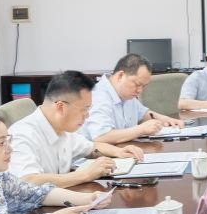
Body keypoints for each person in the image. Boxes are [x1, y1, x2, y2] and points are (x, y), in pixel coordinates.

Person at [9, 70, 144, 188]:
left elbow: (91, 148)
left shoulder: (62, 129)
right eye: (84, 109)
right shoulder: (22, 134)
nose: (87, 115)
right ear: (60, 107)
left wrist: (119, 152)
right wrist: (85, 175)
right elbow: (28, 181)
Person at [84, 54, 184, 143]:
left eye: (143, 86)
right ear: (120, 76)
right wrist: (141, 129)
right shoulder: (98, 97)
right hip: (95, 156)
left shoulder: (126, 94)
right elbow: (101, 137)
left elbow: (143, 114)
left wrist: (165, 119)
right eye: (137, 84)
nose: (140, 91)